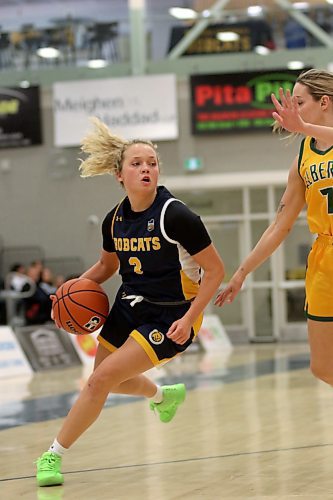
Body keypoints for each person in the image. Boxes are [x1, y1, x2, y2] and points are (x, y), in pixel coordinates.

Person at [36, 117, 225, 487]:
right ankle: (161, 395)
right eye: (137, 163)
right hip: (129, 304)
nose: (146, 169)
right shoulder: (114, 219)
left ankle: (51, 456)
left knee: (100, 380)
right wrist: (68, 290)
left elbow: (216, 272)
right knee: (102, 381)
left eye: (152, 163)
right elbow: (108, 266)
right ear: (119, 175)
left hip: (171, 314)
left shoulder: (177, 215)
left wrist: (190, 319)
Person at [215, 68, 333, 385]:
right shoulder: (302, 159)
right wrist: (242, 272)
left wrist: (305, 126)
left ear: (324, 102)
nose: (291, 110)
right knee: (322, 366)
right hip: (324, 257)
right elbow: (280, 225)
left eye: (299, 102)